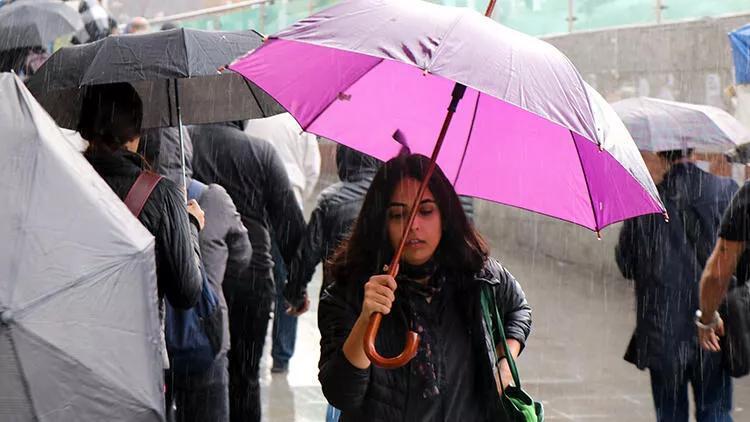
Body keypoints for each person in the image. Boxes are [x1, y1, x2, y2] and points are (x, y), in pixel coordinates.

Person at [318, 153, 532, 421]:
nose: (413, 226)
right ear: (381, 222)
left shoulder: (477, 274)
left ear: (445, 215)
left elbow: (518, 309)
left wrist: (504, 364)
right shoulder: (349, 291)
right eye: (398, 214)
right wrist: (365, 318)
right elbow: (341, 394)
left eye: (426, 210)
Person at [78, 83, 203, 374]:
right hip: (135, 362)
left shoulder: (60, 178)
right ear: (137, 133)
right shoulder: (161, 194)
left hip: (71, 354)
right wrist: (192, 226)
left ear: (86, 128)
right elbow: (186, 292)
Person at [189, 121, 305, 422]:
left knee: (195, 376)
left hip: (198, 277)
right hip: (251, 281)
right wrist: (295, 287)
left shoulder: (186, 141)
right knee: (246, 379)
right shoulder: (261, 152)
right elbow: (291, 225)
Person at [616, 149, 737, 422]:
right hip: (713, 323)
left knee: (670, 415)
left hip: (662, 330)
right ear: (692, 150)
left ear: (662, 155)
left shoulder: (645, 200)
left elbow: (626, 265)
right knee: (715, 410)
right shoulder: (726, 190)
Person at [140, 127, 252, 422]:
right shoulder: (213, 197)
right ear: (187, 151)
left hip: (152, 344)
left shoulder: (135, 199)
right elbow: (243, 255)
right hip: (207, 337)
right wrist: (215, 274)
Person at [244, 113, 321, 374]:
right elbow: (313, 170)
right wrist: (298, 198)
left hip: (257, 208)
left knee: (256, 277)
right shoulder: (301, 124)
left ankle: (250, 348)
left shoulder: (253, 122)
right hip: (289, 209)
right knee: (288, 283)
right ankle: (282, 356)